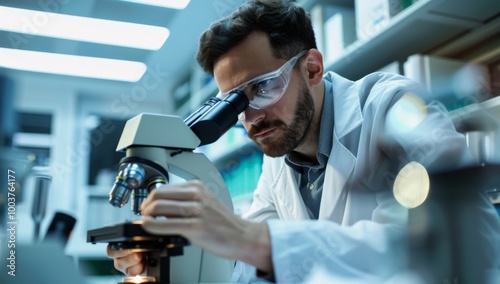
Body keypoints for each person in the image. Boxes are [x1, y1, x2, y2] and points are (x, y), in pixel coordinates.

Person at [107, 0, 500, 282]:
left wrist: (253, 238)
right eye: (234, 102)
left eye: (261, 87)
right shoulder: (278, 157)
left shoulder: (391, 105)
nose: (250, 117)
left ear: (311, 68)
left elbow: (469, 238)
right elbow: (249, 263)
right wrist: (173, 256)